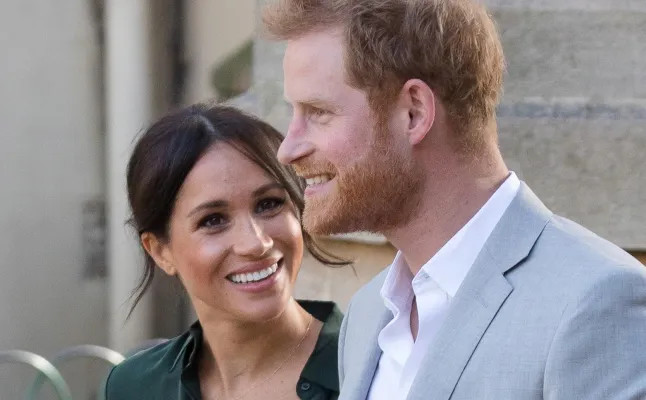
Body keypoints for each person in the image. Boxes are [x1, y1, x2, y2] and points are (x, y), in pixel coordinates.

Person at [262, 0, 646, 399]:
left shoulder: (595, 302)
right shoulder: (366, 314)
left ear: (413, 113)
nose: (288, 150)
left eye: (318, 112)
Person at [104, 104, 347, 400]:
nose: (256, 243)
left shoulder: (374, 370)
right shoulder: (134, 387)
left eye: (269, 204)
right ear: (160, 251)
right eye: (213, 220)